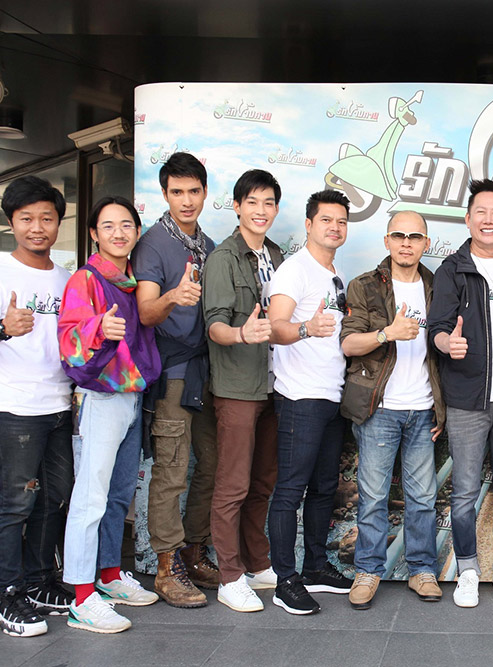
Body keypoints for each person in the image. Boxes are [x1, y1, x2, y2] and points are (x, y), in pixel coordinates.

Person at [0, 176, 73, 637]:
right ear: (12, 222)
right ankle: (6, 595)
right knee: (15, 504)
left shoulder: (67, 279)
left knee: (53, 499)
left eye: (46, 218)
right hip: (11, 409)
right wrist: (2, 328)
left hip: (58, 404)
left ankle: (38, 582)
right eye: (26, 218)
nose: (37, 227)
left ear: (58, 223)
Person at [58, 196, 162, 633]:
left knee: (119, 494)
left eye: (126, 225)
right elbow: (67, 339)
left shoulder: (131, 281)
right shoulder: (86, 279)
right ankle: (82, 597)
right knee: (91, 498)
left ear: (137, 232)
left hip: (132, 397)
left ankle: (109, 575)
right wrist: (98, 327)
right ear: (93, 234)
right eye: (108, 226)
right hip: (100, 399)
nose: (118, 233)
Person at [427, 179, 493, 608]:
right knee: (465, 493)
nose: (489, 220)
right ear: (468, 219)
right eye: (480, 213)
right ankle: (467, 571)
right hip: (468, 400)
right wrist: (447, 343)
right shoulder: (451, 269)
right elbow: (437, 328)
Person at [340, 210, 445, 610]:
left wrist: (442, 411)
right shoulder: (365, 286)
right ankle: (368, 571)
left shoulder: (438, 287)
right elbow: (348, 344)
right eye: (398, 235)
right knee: (372, 497)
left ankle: (422, 570)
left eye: (414, 237)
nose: (406, 243)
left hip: (423, 410)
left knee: (423, 497)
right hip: (379, 409)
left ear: (425, 244)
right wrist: (388, 333)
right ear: (387, 241)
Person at [132, 151, 219, 607]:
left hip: (207, 372)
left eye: (194, 191)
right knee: (171, 471)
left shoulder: (208, 244)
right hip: (171, 373)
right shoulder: (151, 244)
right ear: (165, 194)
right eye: (177, 192)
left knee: (212, 464)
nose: (186, 200)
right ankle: (167, 569)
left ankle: (194, 551)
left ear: (205, 193)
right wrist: (173, 296)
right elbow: (146, 312)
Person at [201, 170, 284, 613]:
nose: (260, 210)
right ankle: (230, 576)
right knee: (232, 484)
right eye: (252, 202)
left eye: (268, 202)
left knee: (262, 482)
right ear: (236, 207)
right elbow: (214, 325)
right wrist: (241, 334)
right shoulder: (222, 258)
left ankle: (257, 563)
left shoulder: (277, 254)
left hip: (274, 384)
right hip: (237, 387)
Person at [267, 189, 354, 615]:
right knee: (290, 490)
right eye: (326, 220)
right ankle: (285, 580)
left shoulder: (335, 274)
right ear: (308, 224)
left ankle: (316, 567)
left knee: (323, 489)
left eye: (341, 221)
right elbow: (275, 326)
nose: (334, 227)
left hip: (332, 396)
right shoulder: (294, 270)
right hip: (300, 396)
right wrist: (306, 328)